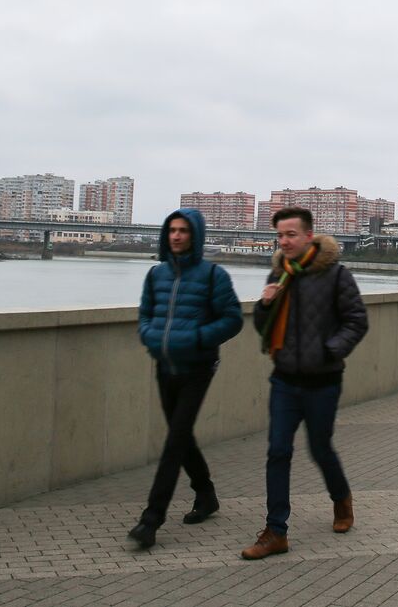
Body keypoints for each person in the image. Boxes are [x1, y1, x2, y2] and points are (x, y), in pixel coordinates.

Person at [242, 207, 369, 560]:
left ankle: (341, 499)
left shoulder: (336, 275)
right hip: (284, 379)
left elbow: (356, 321)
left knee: (320, 448)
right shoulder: (280, 273)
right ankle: (275, 532)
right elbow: (264, 327)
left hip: (323, 380)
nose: (284, 241)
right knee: (278, 451)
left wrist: (331, 350)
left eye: (291, 235)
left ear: (309, 236)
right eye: (280, 236)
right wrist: (264, 306)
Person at [128, 208, 243, 550]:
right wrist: (149, 336)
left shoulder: (213, 276)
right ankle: (206, 495)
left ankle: (151, 520)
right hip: (165, 366)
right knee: (182, 437)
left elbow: (233, 319)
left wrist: (196, 338)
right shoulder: (155, 275)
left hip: (198, 368)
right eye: (172, 230)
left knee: (174, 443)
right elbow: (145, 315)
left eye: (183, 231)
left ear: (195, 236)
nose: (176, 236)